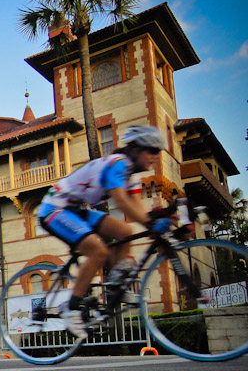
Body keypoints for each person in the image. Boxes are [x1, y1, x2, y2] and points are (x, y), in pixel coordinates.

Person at [37, 125, 170, 339]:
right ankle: (70, 308)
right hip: (54, 209)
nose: (156, 156)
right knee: (98, 252)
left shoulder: (129, 175)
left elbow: (136, 207)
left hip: (75, 210)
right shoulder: (117, 165)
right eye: (152, 151)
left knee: (125, 231)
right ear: (136, 150)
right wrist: (150, 225)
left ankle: (115, 285)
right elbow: (121, 201)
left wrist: (155, 222)